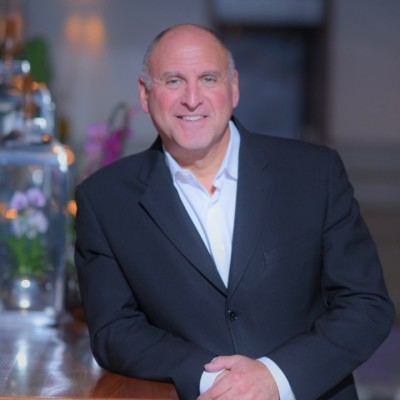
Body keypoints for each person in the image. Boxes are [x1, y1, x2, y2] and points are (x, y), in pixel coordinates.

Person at [74, 24, 394, 400]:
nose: (192, 99)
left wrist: (275, 377)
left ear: (234, 88)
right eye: (173, 81)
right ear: (145, 94)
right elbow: (114, 331)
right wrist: (213, 380)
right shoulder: (104, 199)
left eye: (208, 79)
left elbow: (365, 306)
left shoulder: (314, 173)